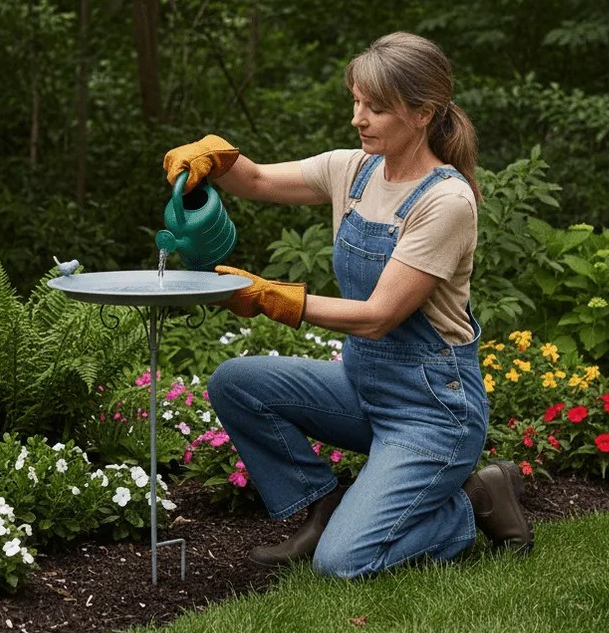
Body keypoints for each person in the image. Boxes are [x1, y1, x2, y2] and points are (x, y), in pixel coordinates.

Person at [162, 31, 533, 579]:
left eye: (376, 108)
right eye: (356, 101)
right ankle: (325, 505)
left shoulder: (445, 201)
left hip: (432, 411)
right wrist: (214, 159)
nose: (359, 117)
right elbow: (259, 179)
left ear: (422, 113)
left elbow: (380, 316)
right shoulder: (353, 169)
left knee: (344, 564)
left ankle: (471, 500)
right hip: (364, 389)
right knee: (236, 382)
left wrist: (269, 297)